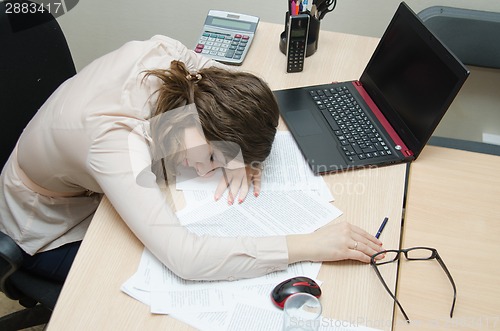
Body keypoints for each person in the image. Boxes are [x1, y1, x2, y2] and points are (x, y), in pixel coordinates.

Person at [0, 35, 384, 283]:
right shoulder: (116, 144)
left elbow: (229, 84)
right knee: (132, 279)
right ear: (198, 120)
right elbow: (187, 260)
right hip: (47, 223)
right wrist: (311, 245)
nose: (209, 171)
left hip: (83, 171)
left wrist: (238, 152)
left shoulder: (178, 65)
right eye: (213, 157)